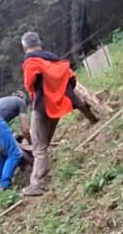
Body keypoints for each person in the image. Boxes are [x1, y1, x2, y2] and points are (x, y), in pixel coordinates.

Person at [19, 32, 95, 197]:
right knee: (44, 142)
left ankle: (38, 184)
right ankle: (94, 118)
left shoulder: (30, 62)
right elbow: (71, 78)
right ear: (40, 43)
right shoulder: (54, 58)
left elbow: (29, 85)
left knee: (39, 146)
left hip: (41, 107)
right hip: (59, 102)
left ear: (25, 47)